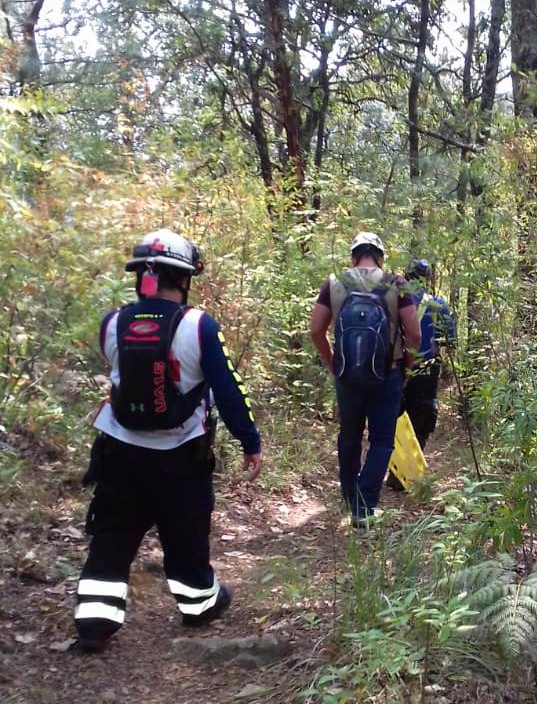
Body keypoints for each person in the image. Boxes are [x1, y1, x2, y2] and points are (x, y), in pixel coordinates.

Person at [73, 229, 263, 653]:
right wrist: (251, 442)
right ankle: (198, 606)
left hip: (117, 453)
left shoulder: (113, 322)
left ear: (141, 275)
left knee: (112, 535)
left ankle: (93, 624)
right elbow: (229, 391)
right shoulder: (198, 326)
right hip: (180, 458)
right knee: (186, 536)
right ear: (185, 278)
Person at [309, 232, 420, 527]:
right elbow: (415, 334)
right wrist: (406, 369)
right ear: (380, 256)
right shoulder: (396, 284)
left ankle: (349, 496)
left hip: (347, 376)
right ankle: (364, 504)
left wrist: (334, 364)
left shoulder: (334, 283)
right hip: (388, 373)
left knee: (349, 435)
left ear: (354, 255)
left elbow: (316, 330)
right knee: (382, 440)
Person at [387, 259, 455, 490]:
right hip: (427, 368)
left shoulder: (393, 302)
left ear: (406, 277)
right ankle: (409, 474)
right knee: (422, 419)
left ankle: (393, 470)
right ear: (426, 279)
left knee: (394, 419)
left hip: (396, 367)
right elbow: (450, 339)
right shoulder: (437, 305)